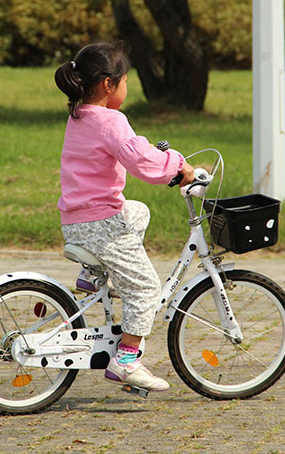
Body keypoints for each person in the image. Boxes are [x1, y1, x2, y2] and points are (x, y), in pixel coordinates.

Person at [54, 41, 194, 392]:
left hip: (76, 222)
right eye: (126, 80)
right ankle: (127, 359)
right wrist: (178, 166)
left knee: (137, 210)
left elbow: (135, 151)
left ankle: (93, 274)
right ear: (108, 85)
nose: (127, 87)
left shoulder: (80, 114)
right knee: (146, 287)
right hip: (100, 225)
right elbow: (143, 162)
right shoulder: (111, 120)